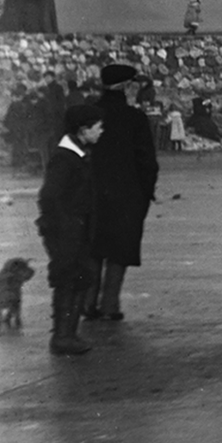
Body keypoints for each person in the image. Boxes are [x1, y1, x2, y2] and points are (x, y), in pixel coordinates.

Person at [83, 64, 159, 323]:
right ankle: (109, 306)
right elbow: (147, 162)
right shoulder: (134, 118)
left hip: (90, 193)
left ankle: (87, 303)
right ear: (127, 86)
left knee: (93, 247)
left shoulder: (87, 115)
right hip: (126, 195)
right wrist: (146, 193)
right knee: (119, 250)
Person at [39, 104, 105, 354]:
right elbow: (49, 196)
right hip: (67, 231)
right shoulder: (64, 158)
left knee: (79, 278)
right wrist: (66, 226)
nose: (101, 131)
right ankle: (63, 336)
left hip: (76, 229)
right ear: (83, 129)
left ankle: (68, 334)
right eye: (98, 126)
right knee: (68, 279)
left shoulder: (76, 153)